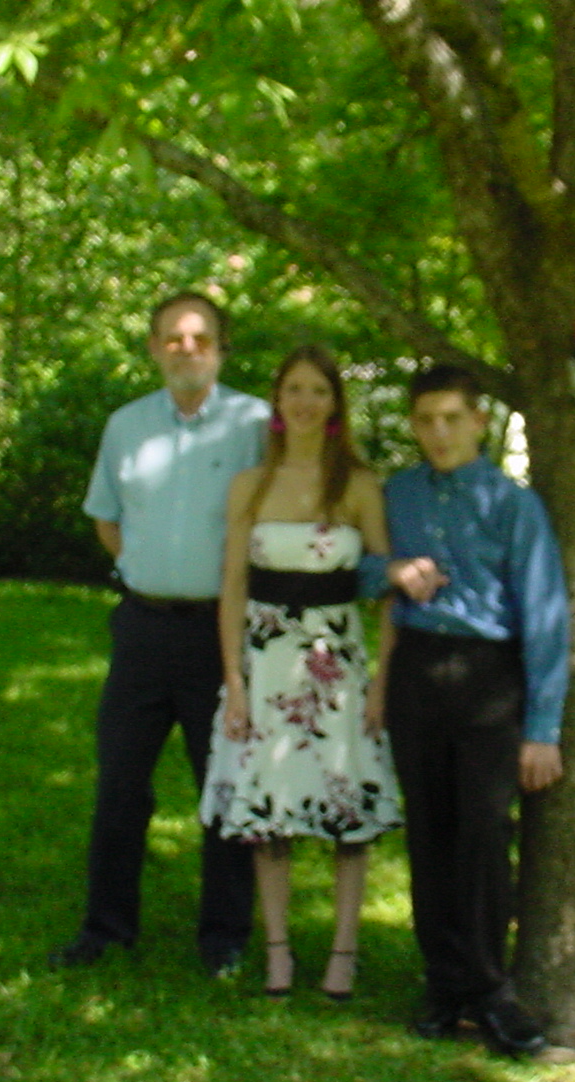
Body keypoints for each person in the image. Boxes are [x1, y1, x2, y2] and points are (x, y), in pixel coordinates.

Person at [49, 291, 268, 975]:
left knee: (223, 785)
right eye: (173, 338)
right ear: (153, 348)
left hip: (220, 633)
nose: (186, 349)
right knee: (120, 784)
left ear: (221, 348)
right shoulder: (127, 426)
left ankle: (225, 937)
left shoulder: (255, 424)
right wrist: (145, 569)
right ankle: (106, 928)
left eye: (200, 338)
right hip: (142, 628)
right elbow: (106, 517)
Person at [200, 345, 402, 1001]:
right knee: (270, 814)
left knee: (348, 814)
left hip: (337, 667)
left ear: (335, 403)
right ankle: (278, 951)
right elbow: (233, 586)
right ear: (278, 402)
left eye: (319, 390)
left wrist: (382, 681)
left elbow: (386, 588)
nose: (306, 402)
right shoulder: (250, 485)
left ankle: (344, 952)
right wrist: (234, 680)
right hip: (267, 667)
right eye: (294, 389)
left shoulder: (360, 486)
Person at [381, 363, 570, 1057]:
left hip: (489, 677)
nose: (439, 433)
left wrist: (542, 728)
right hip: (416, 670)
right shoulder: (397, 494)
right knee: (429, 830)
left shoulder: (514, 506)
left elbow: (546, 616)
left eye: (452, 419)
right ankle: (442, 984)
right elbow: (352, 560)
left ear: (479, 422)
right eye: (426, 420)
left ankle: (491, 990)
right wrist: (389, 571)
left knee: (484, 832)